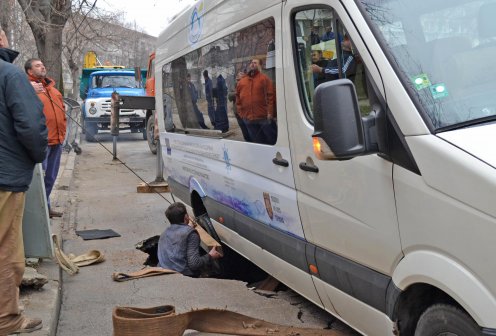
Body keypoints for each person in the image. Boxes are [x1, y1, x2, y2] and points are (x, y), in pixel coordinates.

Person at [0, 30, 48, 335]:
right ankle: (7, 319)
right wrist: (38, 153)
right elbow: (30, 125)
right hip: (4, 178)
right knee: (7, 251)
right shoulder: (10, 75)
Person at [25, 58, 67, 219]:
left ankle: (46, 207)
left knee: (50, 177)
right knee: (40, 180)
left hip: (57, 140)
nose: (42, 67)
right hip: (42, 142)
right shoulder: (27, 88)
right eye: (37, 65)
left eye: (42, 65)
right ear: (29, 71)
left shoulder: (53, 90)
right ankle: (39, 211)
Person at [157, 202, 222, 277]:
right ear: (186, 217)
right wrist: (210, 256)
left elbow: (180, 233)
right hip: (181, 275)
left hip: (163, 271)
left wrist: (187, 228)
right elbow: (194, 264)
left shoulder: (164, 233)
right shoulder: (191, 234)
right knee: (206, 269)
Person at [235, 58, 277, 145]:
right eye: (251, 63)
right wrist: (241, 113)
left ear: (260, 66)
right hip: (248, 119)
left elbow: (271, 97)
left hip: (264, 118)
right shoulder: (242, 82)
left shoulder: (265, 79)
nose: (252, 64)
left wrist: (270, 113)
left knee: (272, 140)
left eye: (255, 63)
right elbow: (237, 98)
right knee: (257, 142)